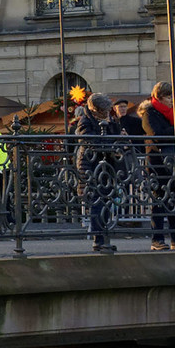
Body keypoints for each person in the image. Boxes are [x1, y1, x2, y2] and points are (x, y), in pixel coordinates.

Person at [138, 80, 175, 248]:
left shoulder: (173, 113)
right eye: (168, 96)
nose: (172, 99)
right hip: (157, 160)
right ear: (160, 97)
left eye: (172, 96)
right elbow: (155, 134)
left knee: (173, 199)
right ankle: (157, 239)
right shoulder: (149, 113)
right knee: (159, 200)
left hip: (172, 160)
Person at [73, 90, 119, 249]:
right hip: (91, 166)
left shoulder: (110, 119)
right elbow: (89, 141)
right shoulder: (85, 121)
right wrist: (109, 144)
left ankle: (104, 238)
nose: (107, 114)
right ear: (96, 110)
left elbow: (115, 135)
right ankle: (98, 239)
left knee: (106, 202)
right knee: (97, 203)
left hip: (107, 167)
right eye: (104, 111)